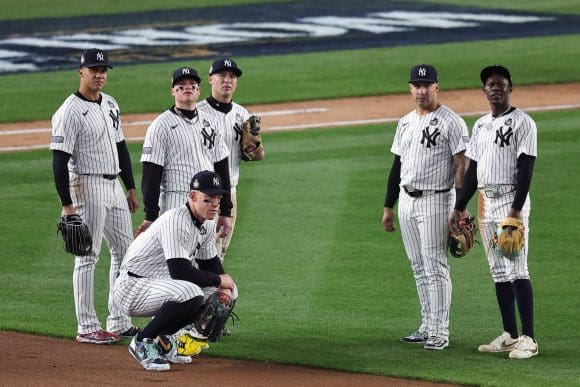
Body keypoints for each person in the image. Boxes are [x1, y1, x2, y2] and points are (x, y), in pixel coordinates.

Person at [50, 48, 140, 344]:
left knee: (126, 254)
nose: (99, 75)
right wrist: (67, 206)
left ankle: (119, 319)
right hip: (86, 186)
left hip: (114, 186)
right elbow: (59, 161)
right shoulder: (69, 112)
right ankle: (87, 327)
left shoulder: (111, 103)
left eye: (103, 70)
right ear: (81, 72)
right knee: (87, 256)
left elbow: (121, 146)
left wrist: (129, 186)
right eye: (94, 70)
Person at [449, 65, 538, 359]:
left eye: (500, 83)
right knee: (499, 272)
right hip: (486, 204)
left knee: (517, 269)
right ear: (484, 90)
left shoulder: (523, 123)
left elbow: (526, 171)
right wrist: (459, 207)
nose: (495, 88)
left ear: (510, 87)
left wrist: (514, 212)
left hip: (511, 201)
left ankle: (529, 339)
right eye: (490, 84)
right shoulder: (480, 126)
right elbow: (473, 172)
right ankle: (510, 335)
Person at [381, 64, 469, 350]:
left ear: (436, 87)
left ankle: (440, 332)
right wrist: (388, 205)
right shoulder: (405, 122)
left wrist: (460, 207)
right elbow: (397, 165)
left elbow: (461, 165)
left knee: (435, 267)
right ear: (410, 88)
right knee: (419, 267)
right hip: (406, 201)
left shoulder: (451, 122)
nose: (421, 90)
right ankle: (427, 325)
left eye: (426, 85)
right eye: (416, 85)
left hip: (436, 200)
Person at [113, 170, 238, 371]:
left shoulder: (206, 224)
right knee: (191, 291)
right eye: (208, 199)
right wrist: (218, 280)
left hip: (156, 286)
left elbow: (211, 264)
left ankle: (163, 341)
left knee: (224, 291)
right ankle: (143, 341)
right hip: (131, 287)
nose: (215, 204)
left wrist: (224, 288)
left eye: (217, 199)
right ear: (192, 196)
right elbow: (180, 271)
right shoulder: (176, 220)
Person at [135, 66, 233, 241]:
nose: (187, 87)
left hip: (207, 202)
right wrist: (151, 215)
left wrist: (225, 211)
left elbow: (222, 167)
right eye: (181, 85)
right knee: (174, 261)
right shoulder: (161, 125)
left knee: (206, 259)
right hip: (175, 203)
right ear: (173, 90)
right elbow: (151, 174)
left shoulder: (210, 123)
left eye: (192, 84)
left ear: (198, 90)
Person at [197, 57, 265, 258]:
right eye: (222, 76)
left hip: (230, 192)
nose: (227, 80)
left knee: (220, 253)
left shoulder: (242, 113)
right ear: (210, 79)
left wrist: (256, 149)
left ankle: (209, 290)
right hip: (203, 193)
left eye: (232, 77)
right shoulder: (197, 112)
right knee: (200, 252)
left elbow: (254, 155)